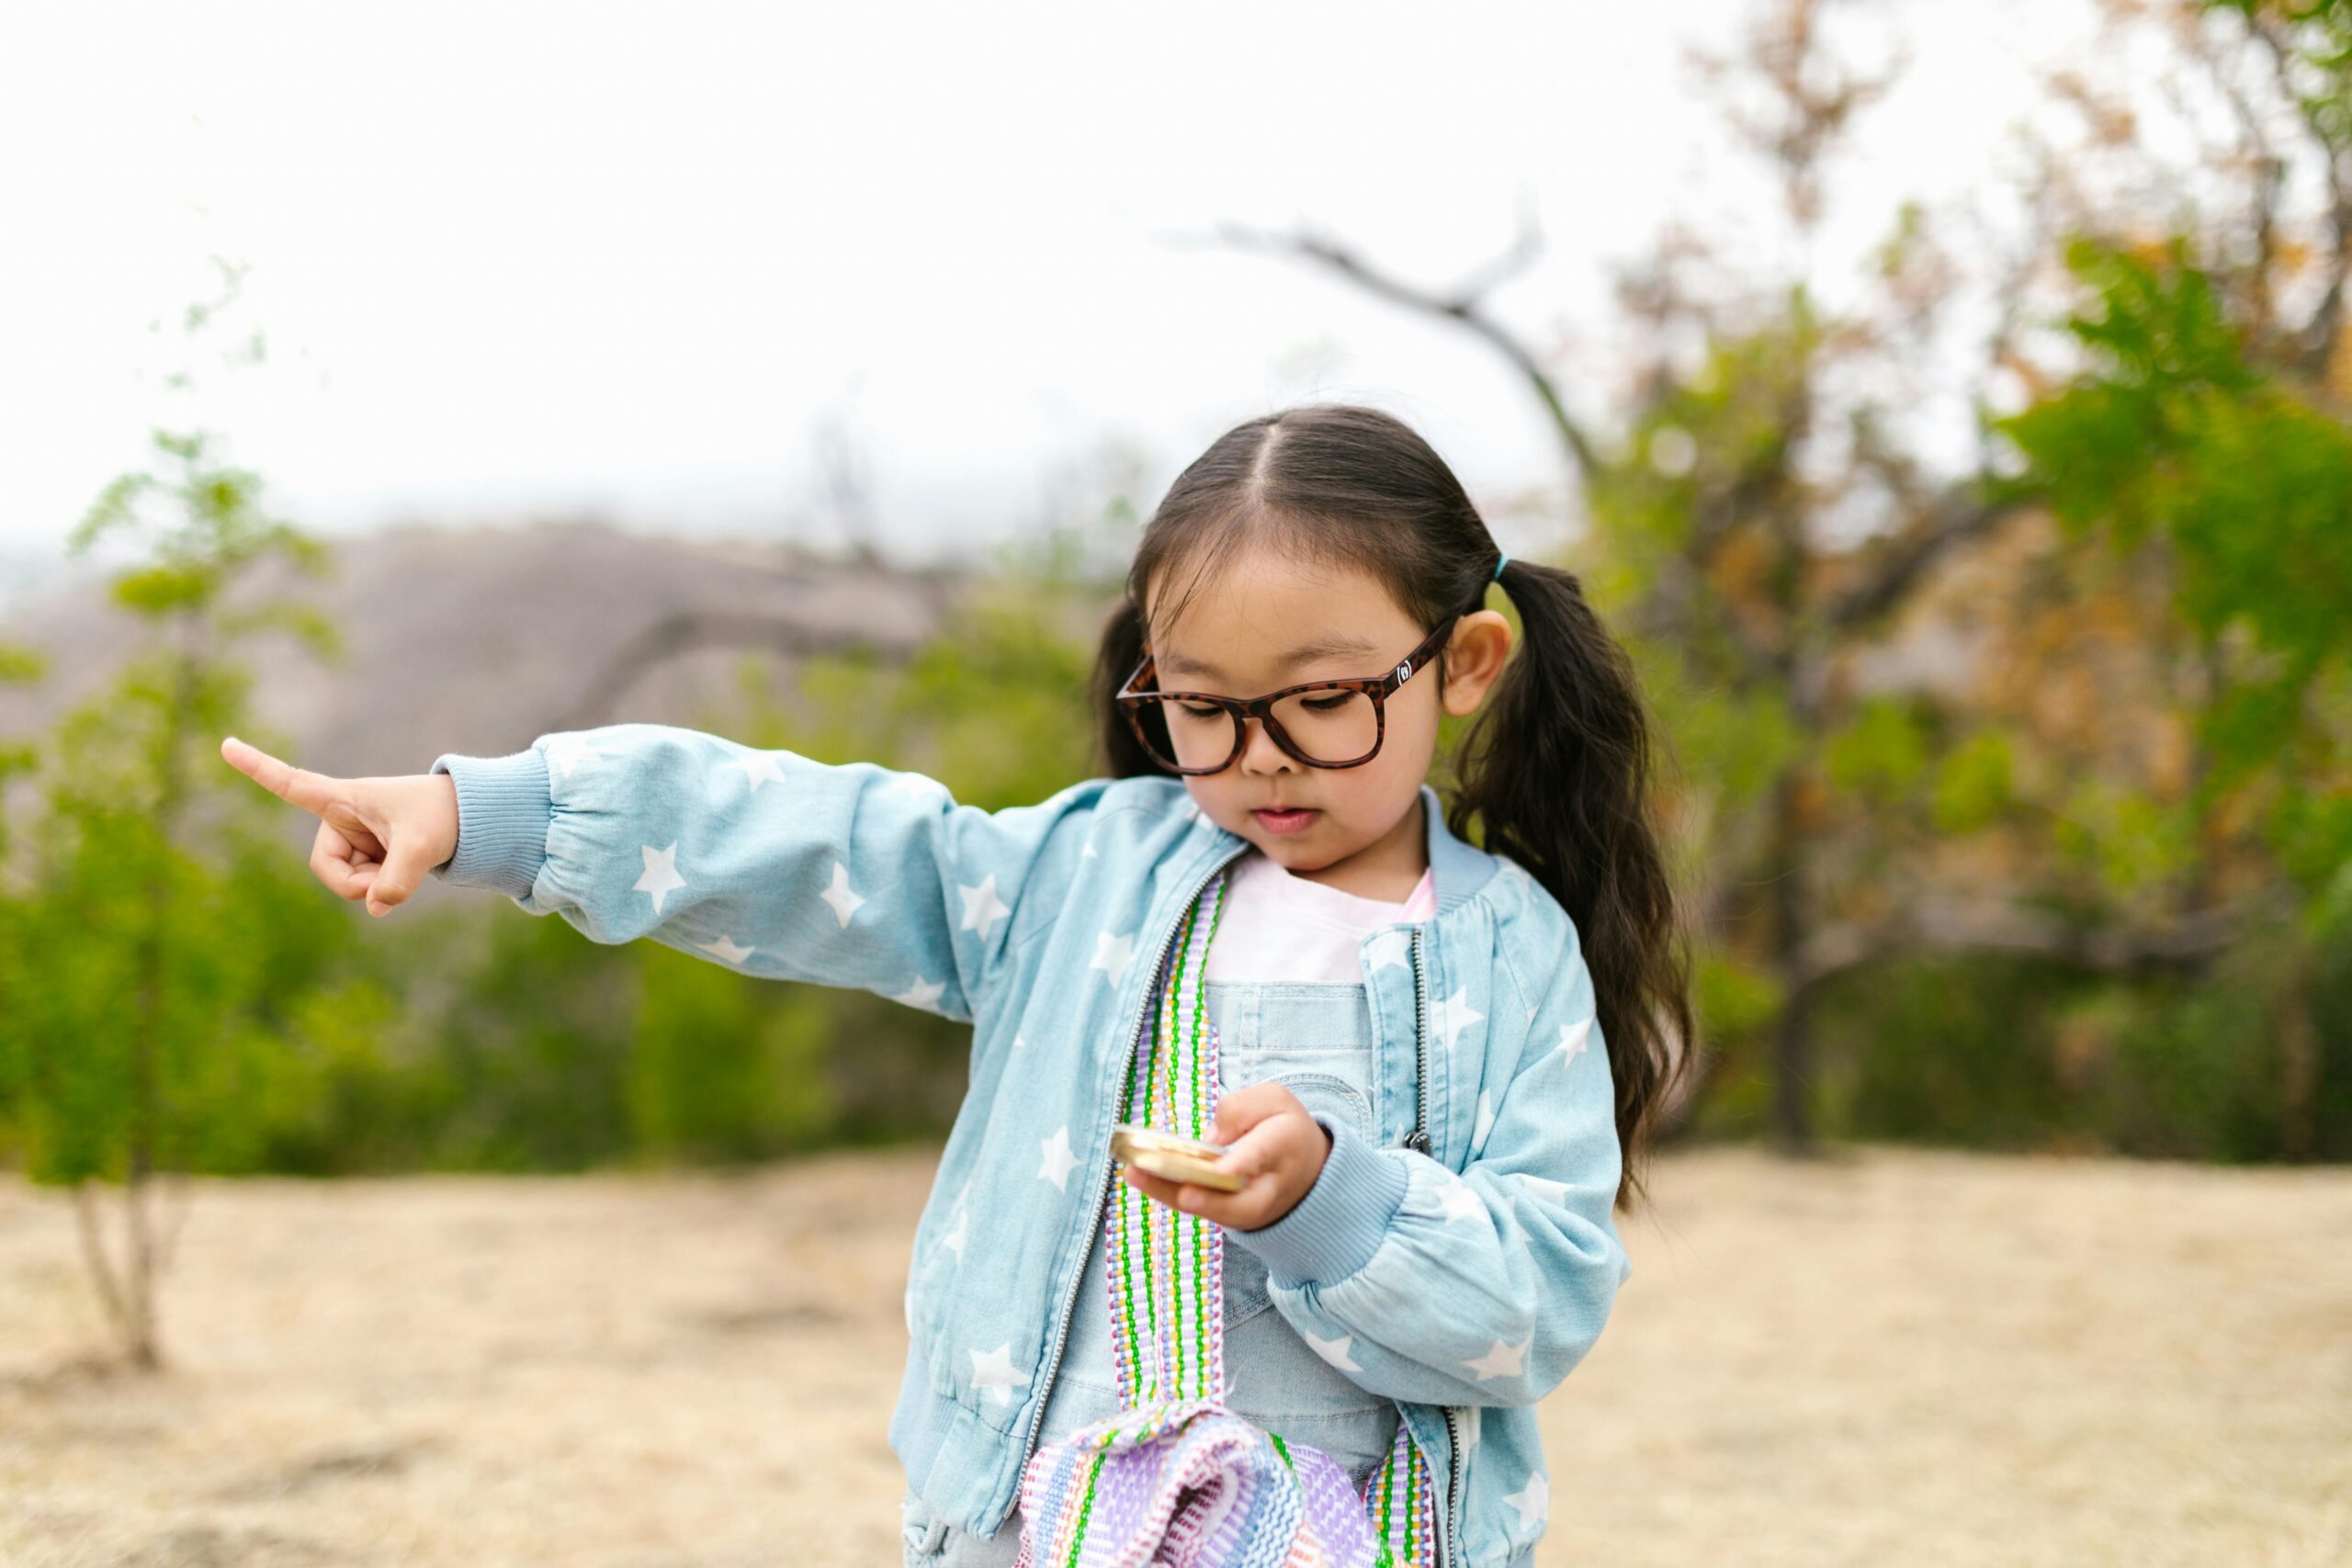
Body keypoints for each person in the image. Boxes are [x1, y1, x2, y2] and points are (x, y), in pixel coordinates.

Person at [220, 402, 1694, 1567]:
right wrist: (495, 815)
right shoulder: (1080, 876)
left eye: (1320, 700)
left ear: (1467, 661)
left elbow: (1542, 1299)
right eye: (1199, 705)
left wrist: (1332, 1200)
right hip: (1029, 1525)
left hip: (1366, 1537)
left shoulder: (1509, 954)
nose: (1256, 755)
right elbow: (820, 841)